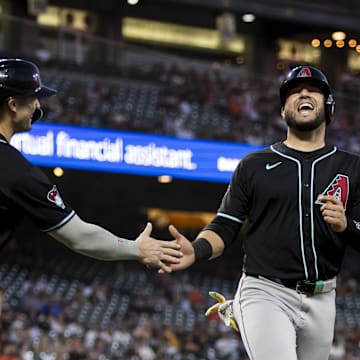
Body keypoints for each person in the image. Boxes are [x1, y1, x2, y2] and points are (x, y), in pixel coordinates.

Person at [161, 65, 360, 360]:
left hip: (323, 297)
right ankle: (247, 309)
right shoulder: (254, 164)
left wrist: (346, 226)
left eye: (312, 90)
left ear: (328, 105)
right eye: (293, 92)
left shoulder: (353, 167)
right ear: (283, 111)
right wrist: (197, 250)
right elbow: (225, 225)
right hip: (267, 290)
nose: (303, 93)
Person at [0, 58, 182, 273]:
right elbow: (80, 237)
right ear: (13, 105)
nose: (38, 105)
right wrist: (136, 248)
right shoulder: (16, 169)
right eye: (34, 97)